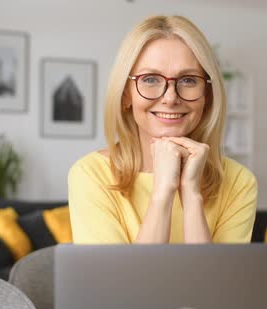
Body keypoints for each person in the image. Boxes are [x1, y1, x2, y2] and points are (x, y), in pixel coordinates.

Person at [68, 15, 257, 244]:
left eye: (188, 80)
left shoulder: (238, 182)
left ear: (207, 95)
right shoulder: (91, 174)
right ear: (126, 94)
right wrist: (163, 194)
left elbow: (213, 281)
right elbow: (122, 281)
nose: (170, 98)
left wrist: (191, 195)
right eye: (150, 79)